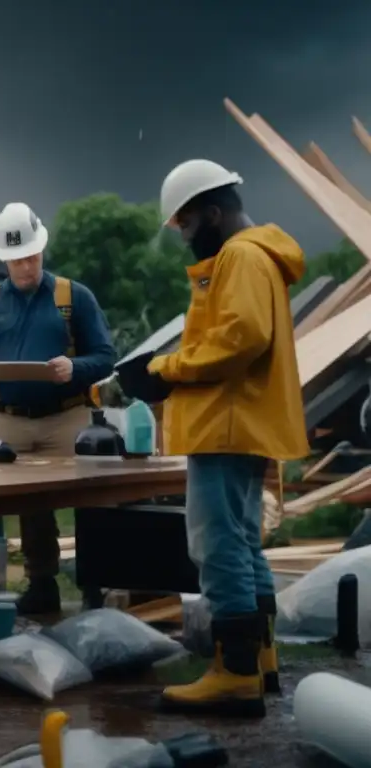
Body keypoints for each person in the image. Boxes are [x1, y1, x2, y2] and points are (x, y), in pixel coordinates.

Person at [148, 159, 308, 717]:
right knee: (241, 544)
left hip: (227, 423)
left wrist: (164, 368)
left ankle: (235, 674)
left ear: (213, 213)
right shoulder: (259, 256)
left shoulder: (240, 255)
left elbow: (240, 338)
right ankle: (258, 662)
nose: (185, 237)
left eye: (187, 224)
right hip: (243, 423)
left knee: (217, 547)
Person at [0, 202, 116, 617]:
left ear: (41, 250)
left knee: (89, 502)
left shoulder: (73, 297)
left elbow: (105, 356)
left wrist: (75, 367)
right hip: (10, 419)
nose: (26, 267)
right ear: (4, 260)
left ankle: (95, 587)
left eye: (31, 256)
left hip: (67, 418)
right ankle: (41, 584)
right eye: (17, 260)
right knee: (31, 507)